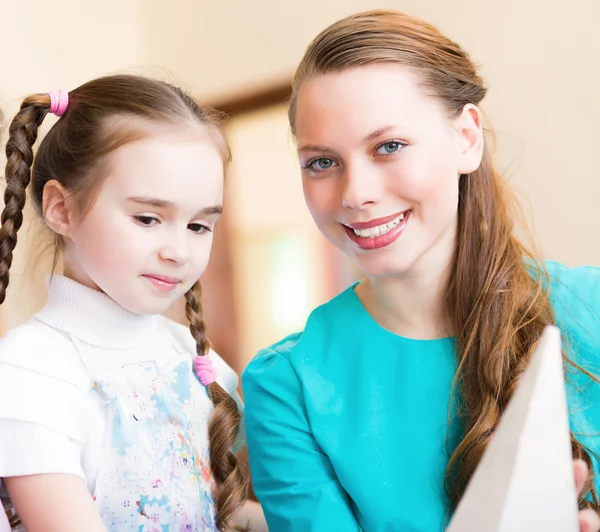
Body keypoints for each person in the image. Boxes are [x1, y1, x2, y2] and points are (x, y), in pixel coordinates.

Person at [242, 10, 600, 532]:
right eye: (321, 161)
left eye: (388, 146)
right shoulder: (284, 385)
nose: (355, 193)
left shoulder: (590, 306)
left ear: (466, 138)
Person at [0, 75, 256, 531]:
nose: (178, 250)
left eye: (199, 225)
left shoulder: (193, 358)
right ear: (61, 208)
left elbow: (221, 516)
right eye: (148, 217)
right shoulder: (27, 370)